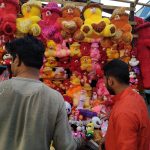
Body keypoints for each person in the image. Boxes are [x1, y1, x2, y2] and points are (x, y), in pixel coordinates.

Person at [0, 35, 78, 150]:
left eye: (12, 59)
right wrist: (81, 141)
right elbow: (65, 146)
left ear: (17, 59)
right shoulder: (55, 98)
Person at [100, 59, 150, 150]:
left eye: (104, 80)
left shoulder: (124, 112)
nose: (104, 83)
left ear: (110, 81)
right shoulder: (135, 97)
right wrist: (108, 139)